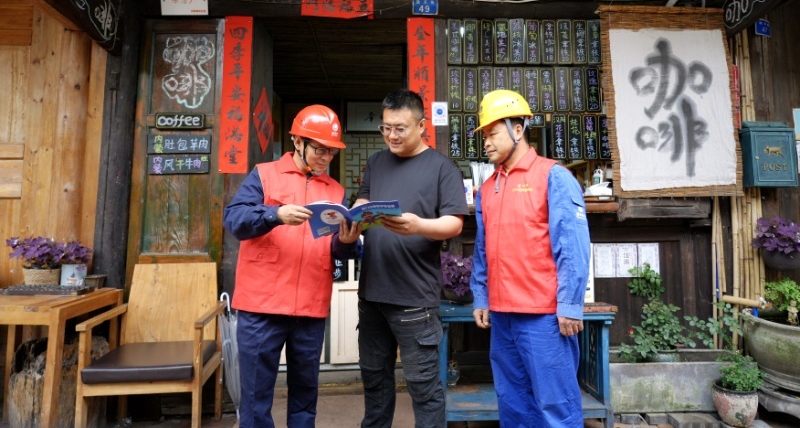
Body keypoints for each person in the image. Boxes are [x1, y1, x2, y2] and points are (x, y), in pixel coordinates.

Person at [223, 104, 362, 428]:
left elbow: (337, 251)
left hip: (310, 306)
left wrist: (347, 241)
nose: (325, 157)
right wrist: (275, 214)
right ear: (297, 141)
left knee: (305, 397)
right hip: (262, 306)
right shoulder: (264, 174)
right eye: (319, 149)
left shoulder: (335, 190)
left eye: (331, 151)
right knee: (255, 398)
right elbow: (234, 220)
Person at [469, 90, 591, 428]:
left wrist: (570, 304)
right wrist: (481, 295)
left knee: (556, 408)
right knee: (513, 405)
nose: (486, 143)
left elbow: (572, 246)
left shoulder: (553, 176)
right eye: (484, 135)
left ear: (518, 129)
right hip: (502, 317)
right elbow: (482, 249)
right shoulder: (487, 188)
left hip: (544, 317)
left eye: (493, 133)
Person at [353, 89, 469, 427]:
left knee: (424, 389)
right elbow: (363, 199)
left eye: (400, 128)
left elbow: (454, 223)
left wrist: (418, 225)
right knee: (374, 383)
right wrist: (353, 216)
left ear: (421, 126)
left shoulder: (442, 168)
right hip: (372, 295)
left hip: (414, 300)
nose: (391, 135)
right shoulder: (377, 162)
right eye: (386, 127)